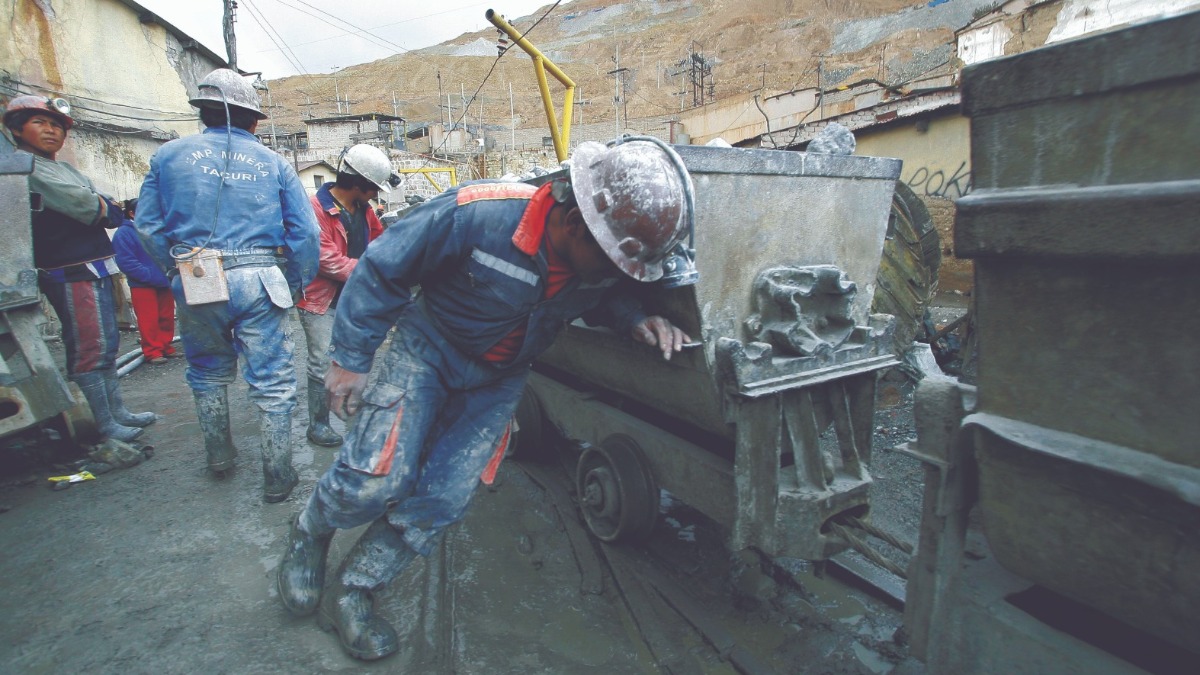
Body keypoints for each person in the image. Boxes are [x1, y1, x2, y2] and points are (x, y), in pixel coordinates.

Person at [277, 138, 694, 660]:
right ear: (572, 223)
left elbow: (607, 292)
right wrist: (351, 360)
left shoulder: (598, 264)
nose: (612, 271)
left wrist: (637, 317)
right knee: (376, 478)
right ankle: (309, 533)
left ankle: (355, 587)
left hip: (500, 377)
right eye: (609, 259)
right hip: (427, 350)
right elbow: (384, 267)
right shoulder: (480, 213)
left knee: (443, 498)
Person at [135, 69, 319, 503]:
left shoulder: (167, 157)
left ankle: (219, 457)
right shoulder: (275, 162)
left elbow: (147, 226)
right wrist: (293, 283)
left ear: (204, 113)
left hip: (196, 275)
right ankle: (278, 476)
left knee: (205, 371)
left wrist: (175, 269)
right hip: (261, 278)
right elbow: (305, 235)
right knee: (273, 382)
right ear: (253, 119)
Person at [3, 95, 156, 442]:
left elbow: (113, 211)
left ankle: (116, 411)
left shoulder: (62, 168)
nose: (51, 130)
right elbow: (93, 208)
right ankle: (101, 424)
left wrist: (106, 205)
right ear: (16, 128)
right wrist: (104, 205)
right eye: (40, 123)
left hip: (96, 268)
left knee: (106, 343)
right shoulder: (27, 167)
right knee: (88, 347)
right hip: (69, 271)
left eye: (56, 125)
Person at [296, 145, 388, 447]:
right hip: (322, 299)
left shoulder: (364, 210)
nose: (375, 194)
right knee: (321, 361)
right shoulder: (314, 209)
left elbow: (378, 241)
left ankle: (349, 408)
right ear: (359, 184)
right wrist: (373, 272)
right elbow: (327, 259)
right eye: (373, 188)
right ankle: (318, 424)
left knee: (355, 356)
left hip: (355, 297)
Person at [112, 198, 177, 365]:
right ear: (132, 213)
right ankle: (152, 351)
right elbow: (126, 261)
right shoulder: (124, 233)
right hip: (143, 284)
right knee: (149, 320)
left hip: (163, 281)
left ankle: (165, 346)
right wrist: (149, 276)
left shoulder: (155, 229)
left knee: (166, 317)